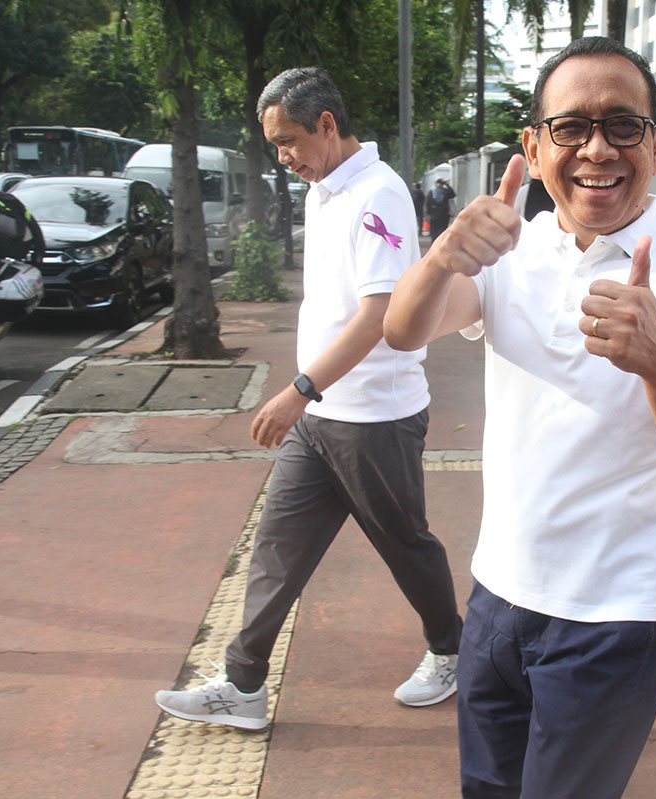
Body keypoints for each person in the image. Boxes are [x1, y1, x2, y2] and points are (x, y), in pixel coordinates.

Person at [383, 37, 656, 798]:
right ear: (535, 146)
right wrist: (444, 251)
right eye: (572, 127)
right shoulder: (508, 253)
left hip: (614, 611)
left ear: (654, 143)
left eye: (622, 126)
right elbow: (403, 329)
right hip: (496, 596)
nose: (597, 150)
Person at [153, 67, 464, 730]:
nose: (283, 156)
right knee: (276, 546)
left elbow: (379, 313)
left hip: (374, 417)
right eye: (273, 145)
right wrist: (310, 396)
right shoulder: (326, 189)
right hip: (321, 418)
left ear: (328, 124)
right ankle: (242, 685)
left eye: (288, 139)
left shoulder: (377, 194)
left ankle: (451, 649)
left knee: (405, 544)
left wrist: (300, 388)